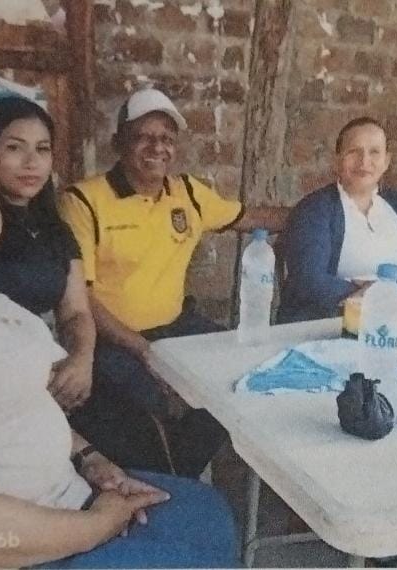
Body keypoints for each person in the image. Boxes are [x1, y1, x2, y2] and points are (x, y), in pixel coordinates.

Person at [0, 115, 238, 569]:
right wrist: (98, 526)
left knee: (206, 514)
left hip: (65, 496)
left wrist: (91, 459)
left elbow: (25, 400)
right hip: (8, 552)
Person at [58, 86, 289, 477]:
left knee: (243, 375)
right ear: (118, 143)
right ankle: (167, 477)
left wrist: (327, 211)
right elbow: (82, 297)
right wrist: (144, 350)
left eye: (166, 138)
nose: (157, 147)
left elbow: (252, 217)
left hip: (177, 327)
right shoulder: (83, 201)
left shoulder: (188, 193)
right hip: (111, 339)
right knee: (151, 406)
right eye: (143, 137)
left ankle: (182, 475)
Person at [0, 96, 174, 472]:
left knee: (141, 428)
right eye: (15, 148)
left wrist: (82, 360)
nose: (31, 162)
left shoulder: (54, 229)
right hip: (4, 381)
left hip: (62, 366)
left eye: (42, 149)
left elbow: (76, 310)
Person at [277, 116, 397, 323]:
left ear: (386, 161)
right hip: (326, 323)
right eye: (354, 152)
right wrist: (377, 299)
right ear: (337, 160)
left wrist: (384, 293)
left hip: (395, 321)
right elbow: (309, 279)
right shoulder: (314, 210)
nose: (364, 162)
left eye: (374, 152)